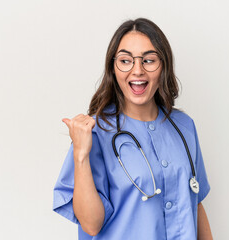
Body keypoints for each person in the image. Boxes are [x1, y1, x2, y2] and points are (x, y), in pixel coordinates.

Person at [53, 18, 213, 240]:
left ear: (163, 66)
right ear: (113, 68)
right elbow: (91, 225)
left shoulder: (184, 127)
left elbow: (195, 204)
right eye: (126, 61)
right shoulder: (94, 133)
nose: (137, 70)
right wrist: (80, 154)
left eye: (148, 60)